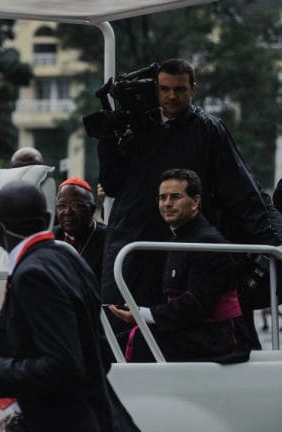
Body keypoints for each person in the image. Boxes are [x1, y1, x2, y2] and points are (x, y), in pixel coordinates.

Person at [97, 58, 282, 314]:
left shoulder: (208, 130)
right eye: (165, 89)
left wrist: (274, 240)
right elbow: (112, 184)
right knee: (122, 333)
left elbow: (243, 193)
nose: (172, 96)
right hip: (132, 247)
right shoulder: (137, 131)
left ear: (193, 89)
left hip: (184, 249)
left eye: (180, 89)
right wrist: (106, 140)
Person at [0, 181, 139, 432]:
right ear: (46, 218)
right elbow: (100, 357)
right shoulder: (69, 259)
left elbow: (63, 366)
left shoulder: (33, 274)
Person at [109, 169, 252, 363]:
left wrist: (143, 314)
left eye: (175, 197)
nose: (167, 203)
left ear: (195, 202)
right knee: (110, 340)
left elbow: (196, 304)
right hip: (194, 329)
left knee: (137, 340)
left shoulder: (207, 242)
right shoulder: (181, 236)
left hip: (221, 337)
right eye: (163, 197)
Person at [53, 176, 107, 286]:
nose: (67, 212)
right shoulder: (51, 237)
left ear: (91, 210)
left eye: (76, 205)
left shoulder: (107, 238)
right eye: (61, 206)